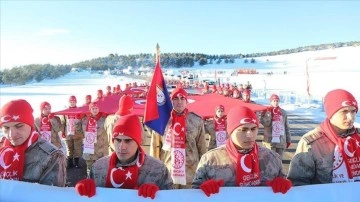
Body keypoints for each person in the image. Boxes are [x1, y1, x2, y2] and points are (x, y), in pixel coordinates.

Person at [192, 106, 292, 197]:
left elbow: (286, 191)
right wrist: (201, 189)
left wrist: (283, 185)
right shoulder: (210, 160)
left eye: (253, 129)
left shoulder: (272, 158)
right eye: (243, 130)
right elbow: (192, 193)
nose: (250, 135)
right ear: (230, 131)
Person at [75, 114, 173, 199]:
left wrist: (160, 195)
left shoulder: (157, 169)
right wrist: (83, 190)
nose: (122, 146)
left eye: (128, 140)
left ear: (139, 142)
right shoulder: (99, 167)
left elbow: (172, 198)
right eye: (118, 140)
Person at [287, 89, 360, 185]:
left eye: (353, 111)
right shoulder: (312, 143)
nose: (350, 117)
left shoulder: (357, 137)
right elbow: (298, 182)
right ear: (331, 113)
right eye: (344, 111)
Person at [0, 99, 66, 186]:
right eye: (6, 128)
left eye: (19, 126)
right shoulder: (2, 150)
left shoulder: (52, 156)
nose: (12, 135)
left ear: (30, 124)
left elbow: (51, 196)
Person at [151, 87, 207, 189]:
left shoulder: (196, 121)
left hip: (191, 174)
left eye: (182, 98)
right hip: (168, 174)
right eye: (175, 98)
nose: (179, 101)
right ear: (171, 100)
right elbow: (155, 149)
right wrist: (153, 173)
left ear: (186, 101)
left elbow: (202, 148)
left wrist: (204, 172)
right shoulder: (162, 121)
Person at [259, 94, 291, 159]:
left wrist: (288, 139)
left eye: (277, 101)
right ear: (270, 102)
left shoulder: (283, 112)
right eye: (274, 101)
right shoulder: (266, 111)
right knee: (270, 160)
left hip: (280, 141)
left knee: (279, 160)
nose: (276, 103)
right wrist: (268, 114)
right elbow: (265, 123)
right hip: (270, 141)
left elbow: (286, 127)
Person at [81, 102, 108, 175]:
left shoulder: (104, 119)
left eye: (96, 108)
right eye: (93, 108)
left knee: (100, 170)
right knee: (89, 170)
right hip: (89, 149)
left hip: (101, 150)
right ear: (90, 109)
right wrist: (78, 120)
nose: (95, 110)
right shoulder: (85, 119)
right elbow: (80, 131)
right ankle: (89, 181)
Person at [60, 95, 84, 169]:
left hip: (77, 133)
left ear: (76, 102)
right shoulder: (66, 111)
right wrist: (63, 132)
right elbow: (63, 122)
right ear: (69, 102)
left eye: (74, 101)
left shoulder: (79, 110)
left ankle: (76, 162)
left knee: (77, 148)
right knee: (69, 148)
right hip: (68, 133)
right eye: (71, 102)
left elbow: (83, 121)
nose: (72, 103)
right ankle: (69, 162)